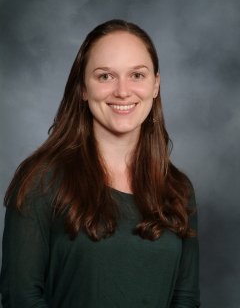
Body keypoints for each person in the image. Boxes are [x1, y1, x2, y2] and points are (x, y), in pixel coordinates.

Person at [0, 19, 200, 307]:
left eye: (137, 75)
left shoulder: (177, 189)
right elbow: (22, 298)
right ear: (83, 87)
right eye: (105, 76)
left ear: (155, 85)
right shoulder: (41, 181)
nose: (122, 91)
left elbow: (186, 299)